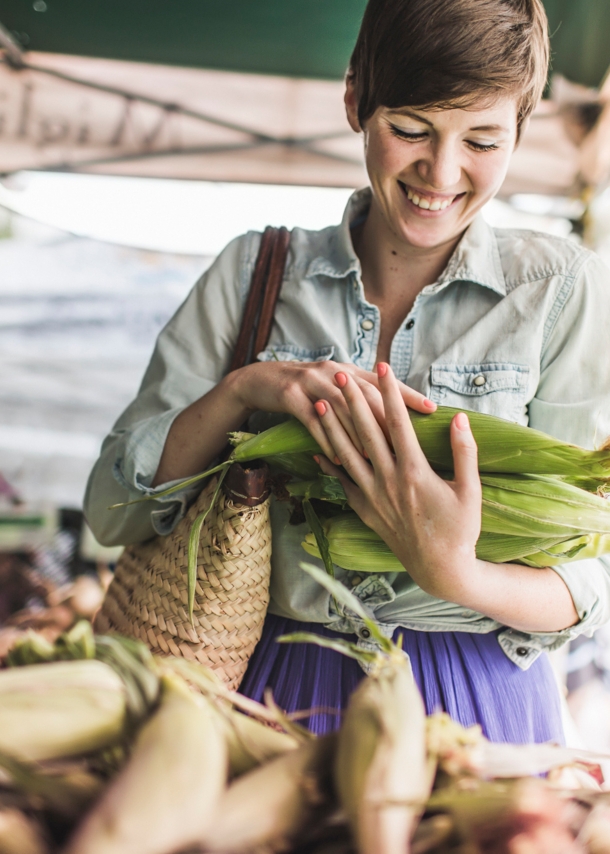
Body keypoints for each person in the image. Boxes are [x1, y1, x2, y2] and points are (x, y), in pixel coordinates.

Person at [85, 0, 610, 744]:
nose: (442, 172)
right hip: (260, 687)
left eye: (484, 140)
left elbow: (594, 577)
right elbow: (114, 509)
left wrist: (455, 573)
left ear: (522, 129)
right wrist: (244, 393)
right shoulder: (251, 274)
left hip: (472, 705)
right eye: (410, 129)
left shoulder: (562, 292)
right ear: (355, 98)